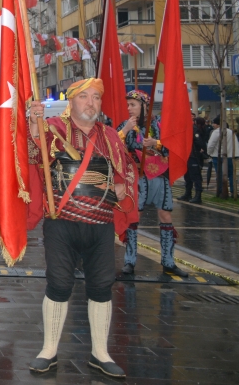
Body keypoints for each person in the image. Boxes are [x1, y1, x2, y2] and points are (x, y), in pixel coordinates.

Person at [26, 78, 137, 378]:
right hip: (61, 222)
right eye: (84, 97)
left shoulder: (112, 137)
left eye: (96, 97)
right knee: (59, 284)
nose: (91, 103)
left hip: (100, 225)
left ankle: (100, 353)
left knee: (101, 286)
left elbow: (125, 169)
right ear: (71, 101)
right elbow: (34, 160)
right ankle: (48, 350)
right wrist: (34, 130)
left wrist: (122, 184)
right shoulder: (54, 129)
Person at [117, 90, 187, 278]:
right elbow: (113, 145)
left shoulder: (159, 123)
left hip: (159, 176)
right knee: (134, 217)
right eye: (128, 105)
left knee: (165, 215)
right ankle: (130, 261)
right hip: (137, 177)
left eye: (133, 104)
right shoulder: (125, 125)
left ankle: (168, 261)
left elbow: (172, 145)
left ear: (144, 106)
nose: (129, 108)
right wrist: (125, 131)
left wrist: (156, 143)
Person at [206, 116, 237, 198]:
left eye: (214, 123)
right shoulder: (231, 132)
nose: (213, 125)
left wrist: (209, 153)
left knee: (219, 174)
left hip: (218, 156)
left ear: (218, 124)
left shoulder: (216, 132)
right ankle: (233, 191)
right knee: (231, 175)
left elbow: (210, 145)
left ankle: (220, 191)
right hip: (230, 156)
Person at [182, 117, 207, 204]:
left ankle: (198, 196)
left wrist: (199, 149)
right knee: (187, 176)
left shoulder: (194, 129)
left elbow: (199, 142)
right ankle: (188, 193)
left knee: (195, 176)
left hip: (194, 156)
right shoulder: (187, 129)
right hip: (187, 155)